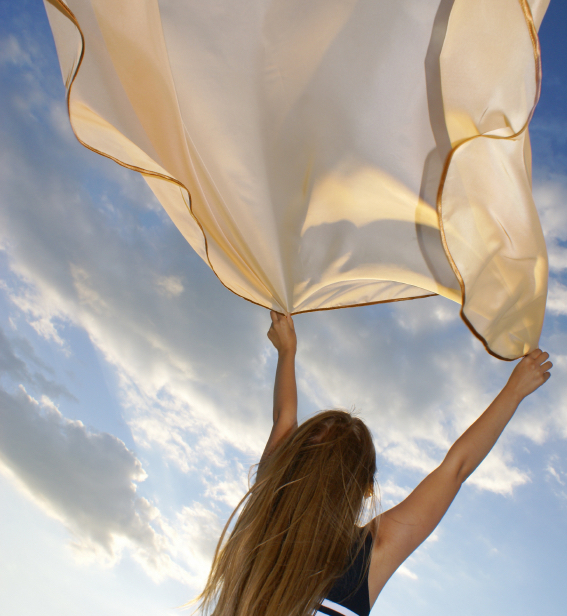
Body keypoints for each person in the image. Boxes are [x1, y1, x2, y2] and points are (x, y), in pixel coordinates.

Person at [189, 311, 553, 616]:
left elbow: (284, 418)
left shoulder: (267, 503)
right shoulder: (367, 556)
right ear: (364, 489)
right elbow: (455, 469)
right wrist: (515, 391)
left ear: (292, 459)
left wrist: (288, 349)